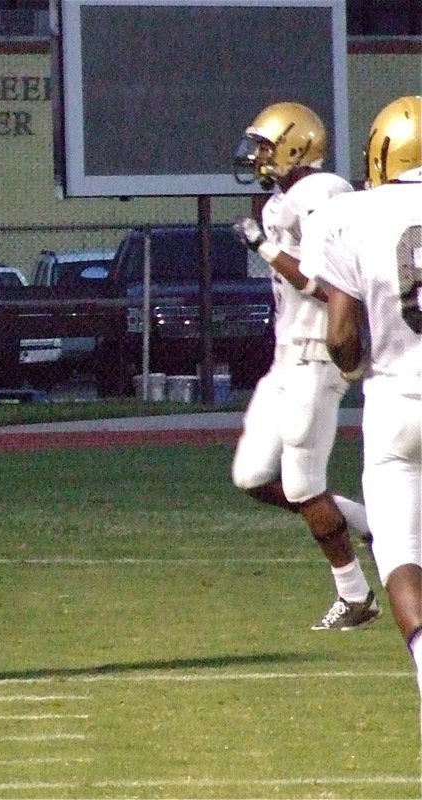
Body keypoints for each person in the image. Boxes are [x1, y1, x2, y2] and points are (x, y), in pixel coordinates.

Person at [229, 101, 379, 630]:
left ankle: (355, 595)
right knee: (251, 475)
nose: (257, 156)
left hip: (318, 356)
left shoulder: (322, 192)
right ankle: (374, 525)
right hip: (286, 358)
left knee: (302, 485)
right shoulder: (282, 201)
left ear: (296, 145)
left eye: (266, 146)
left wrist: (264, 248)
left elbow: (327, 287)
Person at [303, 95, 422, 691]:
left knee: (400, 553)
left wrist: (351, 368)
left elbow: (341, 333)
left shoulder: (351, 215)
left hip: (396, 402)